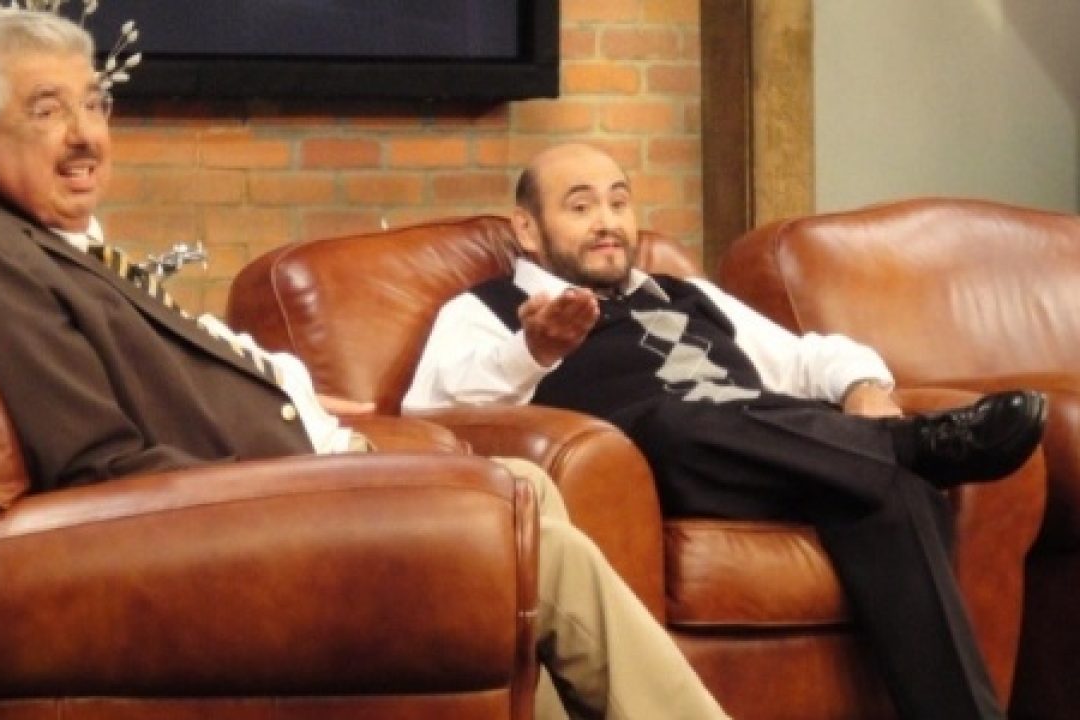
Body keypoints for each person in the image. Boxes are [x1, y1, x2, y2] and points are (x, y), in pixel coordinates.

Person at [0, 10, 729, 720]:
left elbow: (153, 369)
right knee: (534, 542)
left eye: (94, 104)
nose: (86, 137)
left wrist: (276, 385)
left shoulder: (37, 234)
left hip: (285, 472)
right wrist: (290, 484)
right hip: (247, 515)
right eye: (48, 110)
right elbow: (95, 459)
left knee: (526, 491)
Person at [402, 142, 1047, 720]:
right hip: (673, 465)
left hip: (786, 456)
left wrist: (865, 388)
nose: (607, 221)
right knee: (674, 421)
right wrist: (532, 350)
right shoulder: (489, 309)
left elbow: (808, 357)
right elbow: (431, 410)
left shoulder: (688, 294)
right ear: (527, 228)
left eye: (619, 203)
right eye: (580, 206)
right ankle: (907, 448)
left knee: (896, 493)